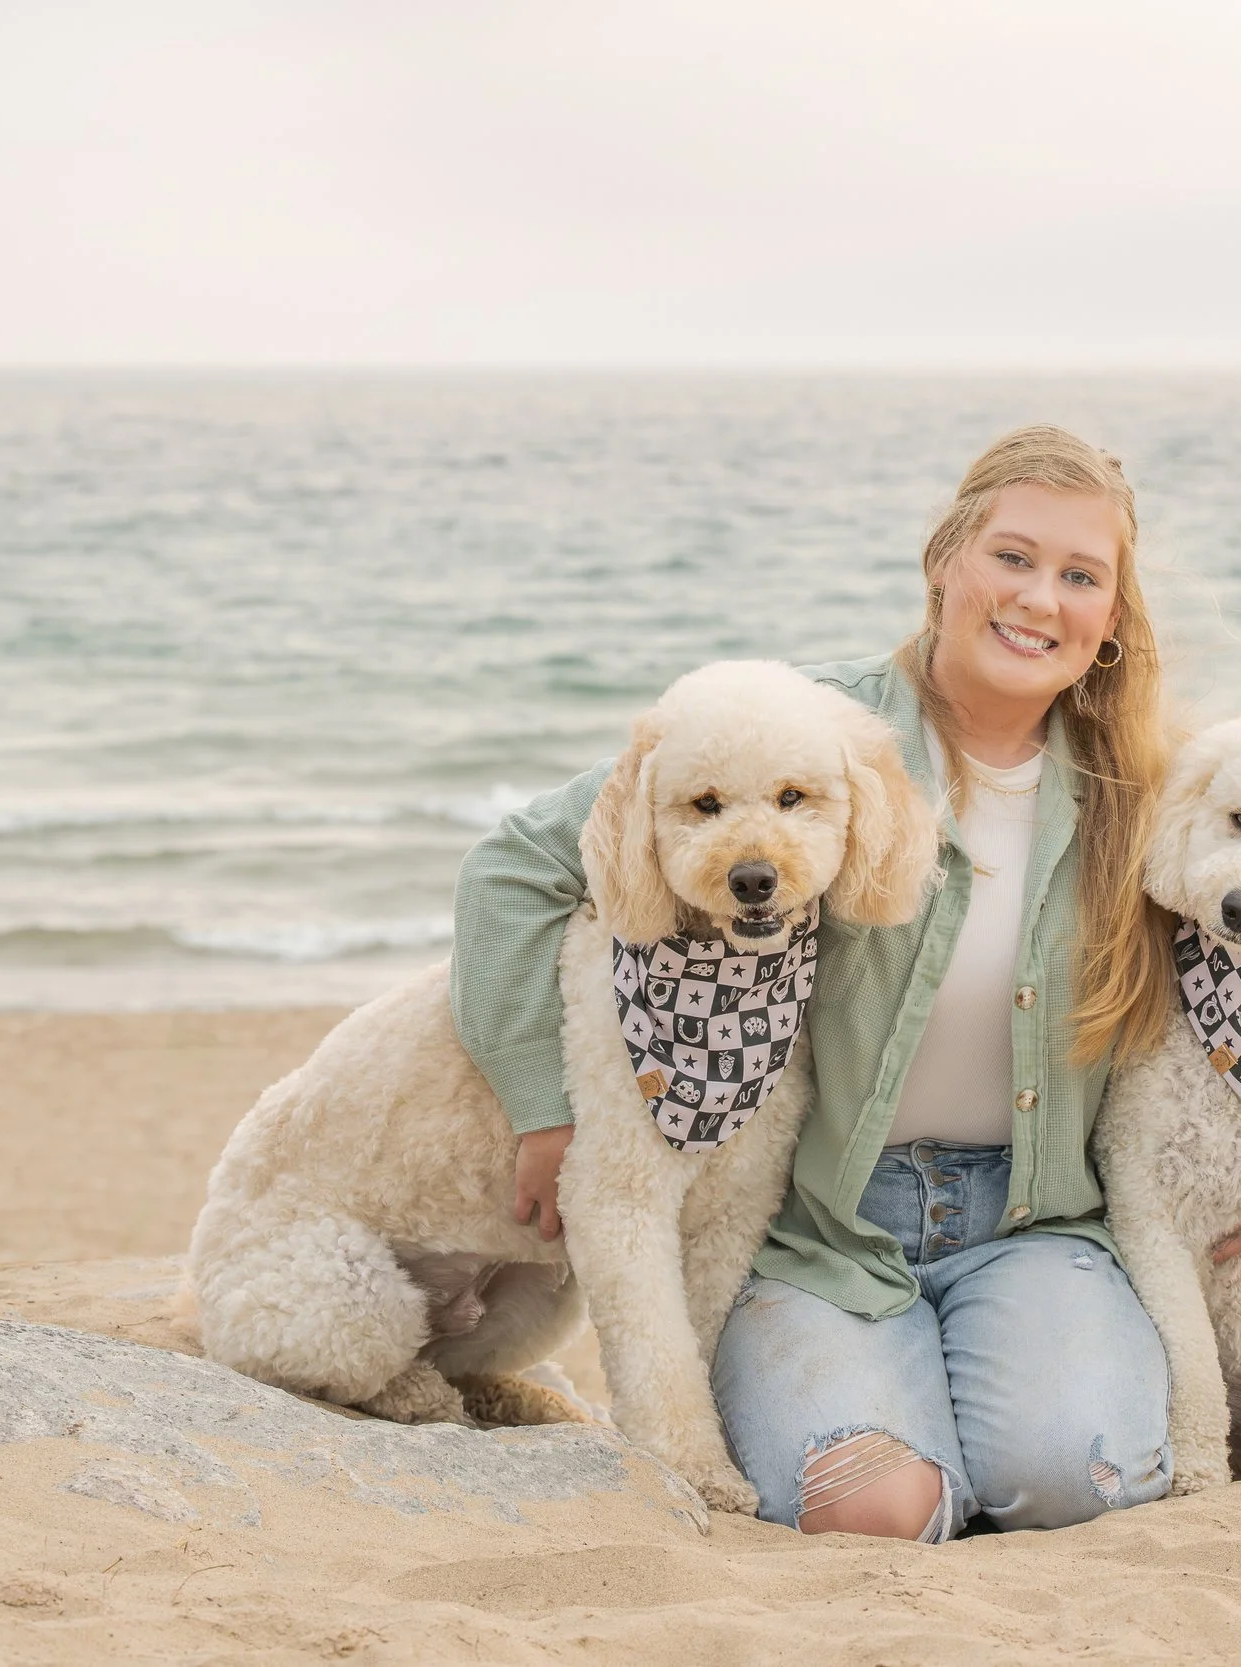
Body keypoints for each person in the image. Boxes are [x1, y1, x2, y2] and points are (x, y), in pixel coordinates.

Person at [449, 425, 1185, 1540]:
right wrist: (537, 1103)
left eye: (1081, 576)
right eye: (1013, 556)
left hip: (1040, 1223)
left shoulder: (1140, 790)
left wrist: (1239, 1180)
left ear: (1111, 617)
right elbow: (516, 864)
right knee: (870, 1506)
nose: (1040, 598)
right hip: (820, 1230)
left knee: (1075, 1483)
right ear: (946, 559)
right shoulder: (800, 733)